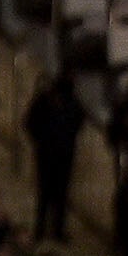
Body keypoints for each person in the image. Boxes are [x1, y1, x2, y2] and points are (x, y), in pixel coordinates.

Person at [24, 73, 84, 241]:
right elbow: (30, 123)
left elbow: (78, 122)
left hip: (62, 154)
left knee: (60, 195)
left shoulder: (71, 104)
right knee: (45, 194)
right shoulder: (44, 102)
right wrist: (41, 140)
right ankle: (42, 229)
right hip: (48, 153)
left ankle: (56, 230)